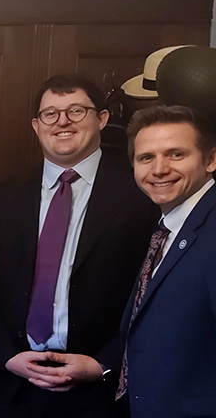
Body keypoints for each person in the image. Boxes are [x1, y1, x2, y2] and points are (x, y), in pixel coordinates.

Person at [0, 74, 157, 418]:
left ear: (101, 119)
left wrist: (104, 364)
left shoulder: (140, 197)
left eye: (75, 111)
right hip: (11, 390)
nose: (62, 122)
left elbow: (152, 296)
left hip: (99, 392)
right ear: (36, 126)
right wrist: (6, 356)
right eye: (50, 114)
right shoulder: (0, 199)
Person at [119, 106, 216, 418]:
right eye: (146, 158)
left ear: (211, 160)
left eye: (176, 154)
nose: (159, 169)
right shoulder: (167, 228)